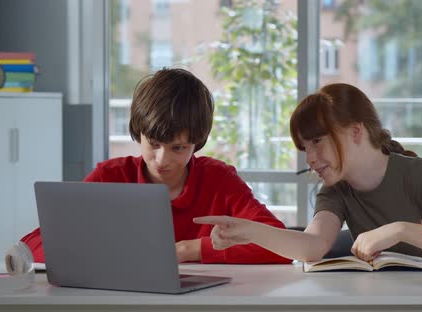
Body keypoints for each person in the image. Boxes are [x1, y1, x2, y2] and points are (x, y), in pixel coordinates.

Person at [194, 83, 422, 268]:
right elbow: (312, 246)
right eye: (304, 147)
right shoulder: (335, 189)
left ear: (355, 131)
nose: (310, 158)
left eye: (317, 141)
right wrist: (248, 231)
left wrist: (400, 230)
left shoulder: (417, 174)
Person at [21, 68, 291, 264]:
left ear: (197, 143)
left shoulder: (219, 179)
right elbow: (32, 245)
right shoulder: (110, 176)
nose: (162, 160)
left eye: (178, 148)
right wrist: (103, 249)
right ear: (138, 134)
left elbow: (280, 244)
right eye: (154, 144)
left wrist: (189, 249)